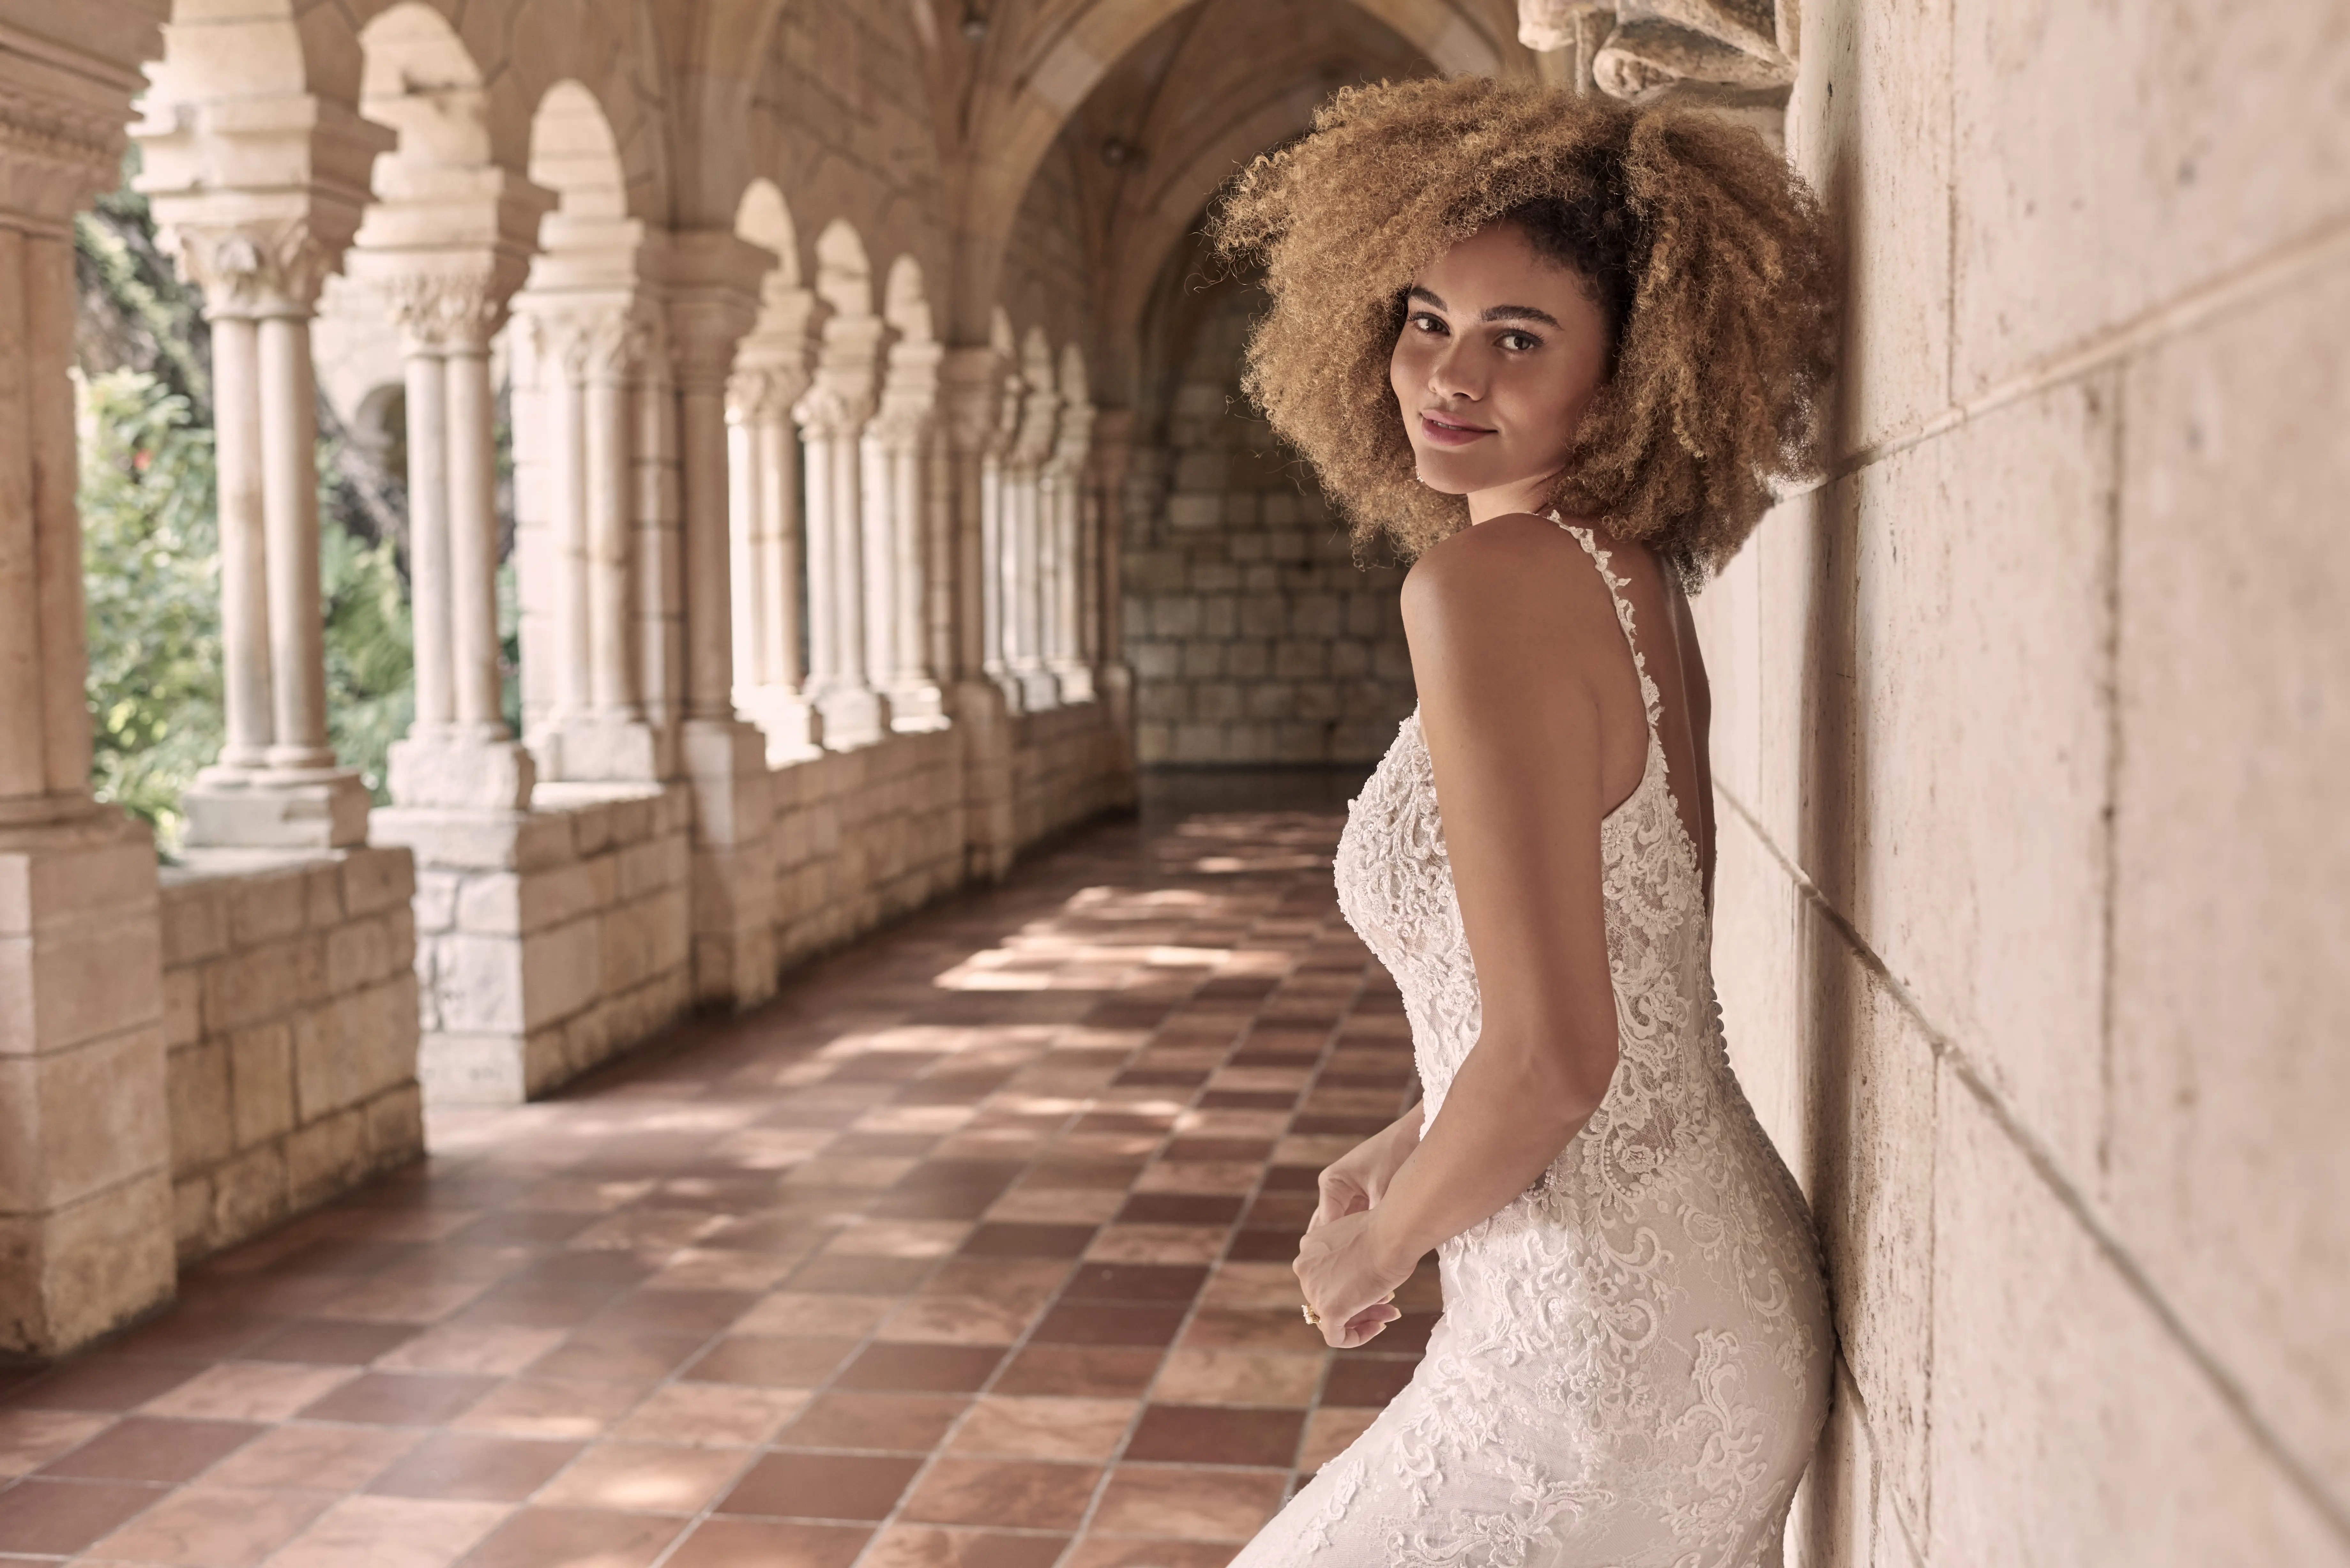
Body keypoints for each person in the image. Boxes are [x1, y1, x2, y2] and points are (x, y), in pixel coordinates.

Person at [1210, 75, 1839, 1566]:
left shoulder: (1486, 589)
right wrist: (1415, 1127)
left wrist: (1382, 1241)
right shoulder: (1618, 577)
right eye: (1426, 318)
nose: (1447, 374)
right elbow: (1606, 974)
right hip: (1697, 1296)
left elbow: (1561, 1055)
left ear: (1625, 376)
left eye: (1517, 338)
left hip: (1597, 1356)